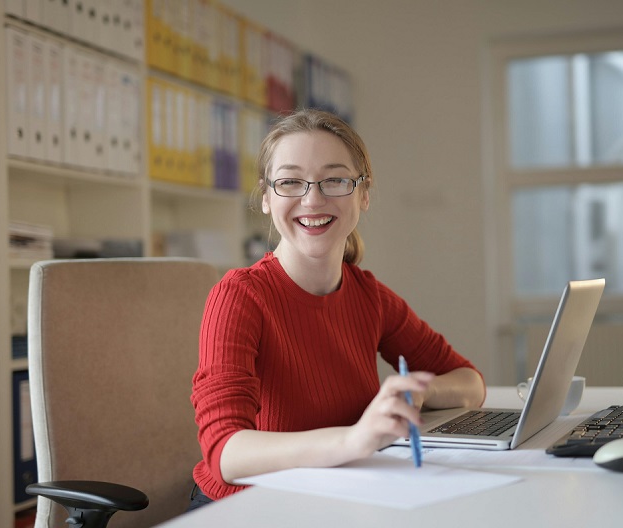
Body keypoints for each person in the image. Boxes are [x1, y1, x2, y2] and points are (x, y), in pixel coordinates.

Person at [189, 109, 486, 507]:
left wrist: (419, 391)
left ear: (363, 194)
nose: (312, 198)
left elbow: (471, 383)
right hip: (249, 507)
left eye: (334, 180)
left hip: (335, 497)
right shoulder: (240, 297)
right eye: (290, 181)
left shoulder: (369, 296)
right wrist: (355, 439)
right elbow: (225, 454)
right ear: (266, 197)